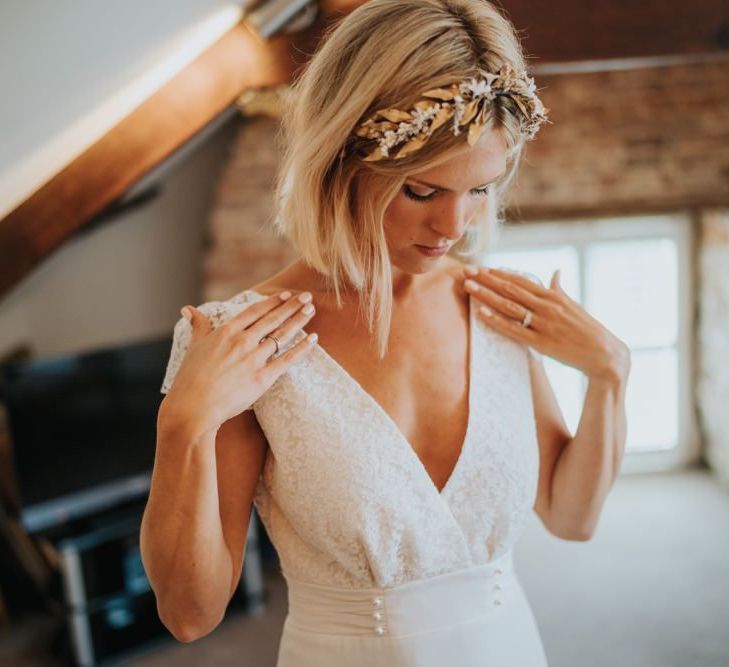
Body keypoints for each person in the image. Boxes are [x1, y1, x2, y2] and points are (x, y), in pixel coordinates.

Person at [140, 1, 631, 665]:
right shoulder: (242, 338)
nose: (453, 227)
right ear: (340, 161)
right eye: (421, 192)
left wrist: (608, 374)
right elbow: (190, 615)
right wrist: (184, 423)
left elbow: (571, 517)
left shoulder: (491, 305)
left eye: (480, 190)